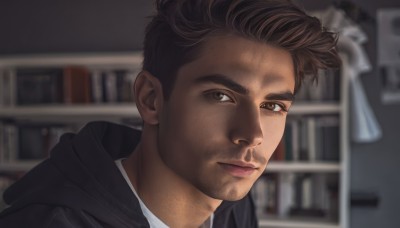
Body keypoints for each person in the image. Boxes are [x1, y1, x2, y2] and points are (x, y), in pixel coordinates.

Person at [0, 0, 340, 227]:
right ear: (151, 99)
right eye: (221, 96)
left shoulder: (233, 203)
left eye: (273, 106)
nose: (253, 135)